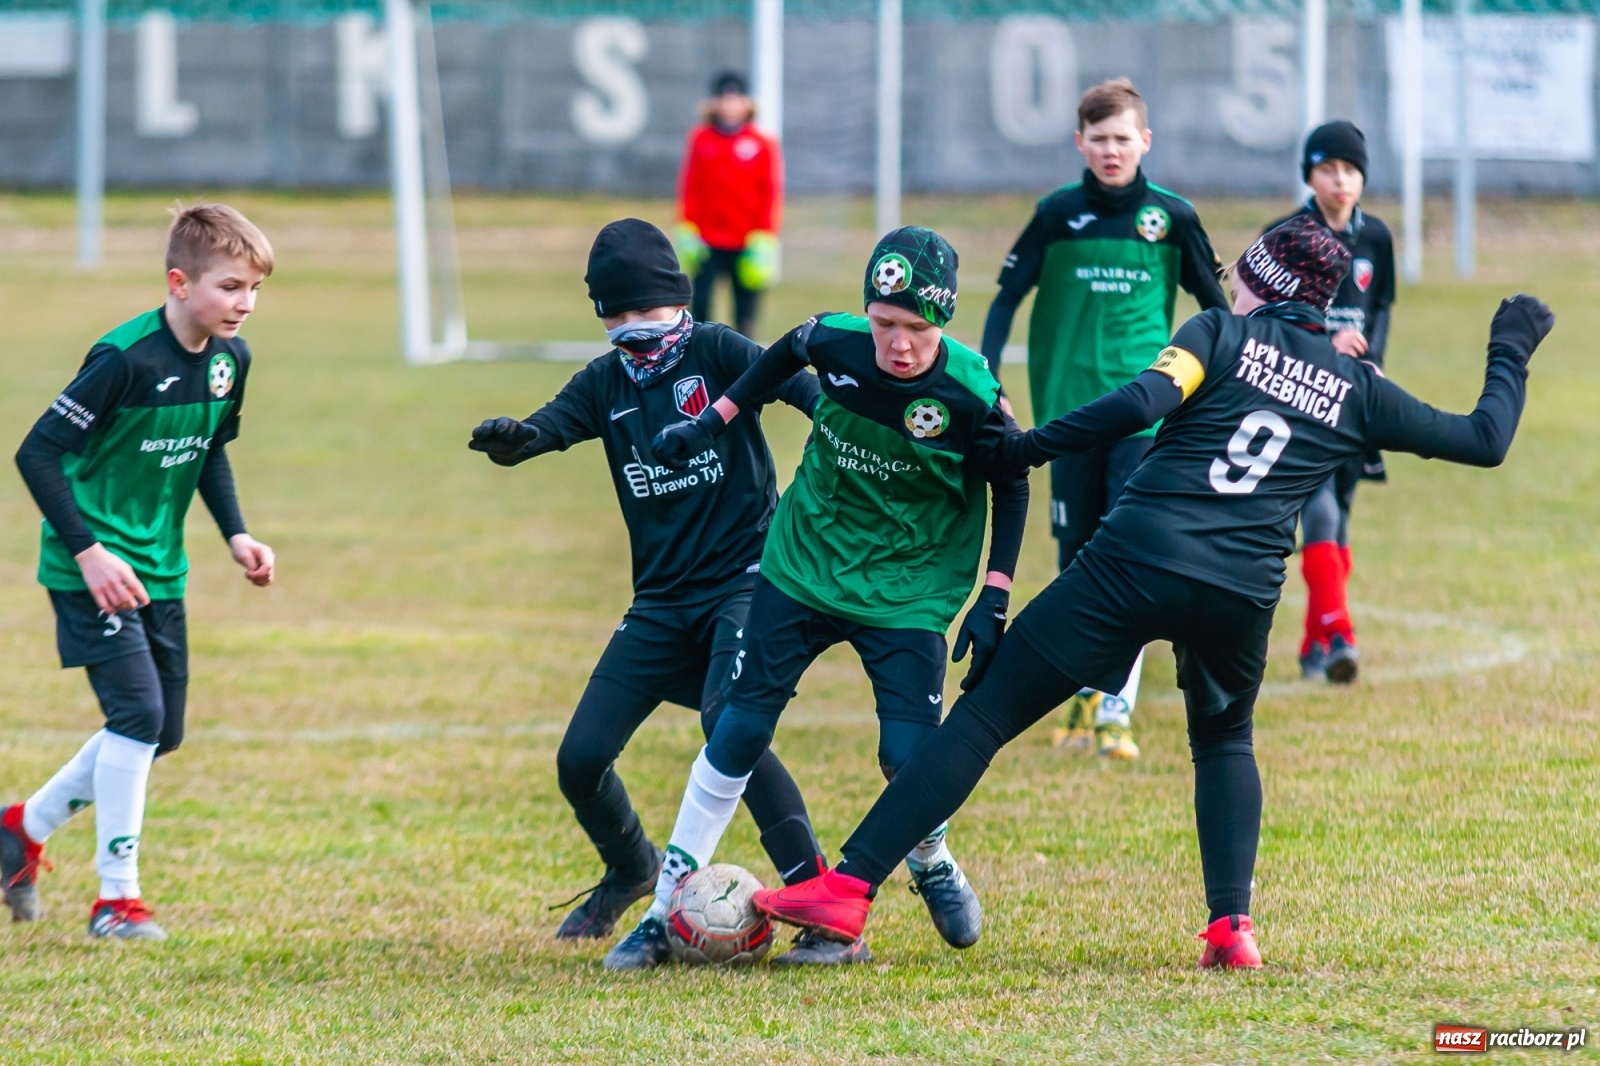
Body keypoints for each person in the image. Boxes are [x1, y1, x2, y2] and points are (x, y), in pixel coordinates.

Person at [752, 216, 1552, 970]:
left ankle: (849, 888)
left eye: (1241, 274)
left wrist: (1030, 445)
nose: (1229, 285)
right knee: (1225, 740)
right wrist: (1509, 346)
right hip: (1241, 592)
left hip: (1135, 563)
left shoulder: (1218, 333)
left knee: (986, 712)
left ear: (1261, 284)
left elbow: (1143, 402)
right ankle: (1230, 926)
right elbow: (1483, 440)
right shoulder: (1355, 388)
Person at [602, 226, 1029, 970]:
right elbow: (780, 359)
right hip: (803, 562)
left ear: (945, 323)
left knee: (907, 756)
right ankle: (667, 907)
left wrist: (994, 596)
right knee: (735, 731)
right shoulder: (832, 341)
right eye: (884, 323)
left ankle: (930, 857)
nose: (897, 344)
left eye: (917, 330)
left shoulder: (971, 392)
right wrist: (710, 421)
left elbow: (1013, 480)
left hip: (909, 585)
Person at [467, 219, 846, 964]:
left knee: (726, 722)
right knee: (580, 759)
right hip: (661, 603)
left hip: (745, 583)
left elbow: (810, 396)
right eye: (618, 321)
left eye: (651, 319)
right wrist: (516, 441)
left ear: (680, 302)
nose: (636, 336)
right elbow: (549, 427)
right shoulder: (604, 383)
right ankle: (633, 867)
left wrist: (845, 435)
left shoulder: (723, 351)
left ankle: (819, 898)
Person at [0, 204, 278, 940]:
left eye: (254, 288)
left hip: (163, 569)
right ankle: (116, 899)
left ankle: (20, 829)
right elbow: (35, 452)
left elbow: (210, 448)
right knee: (139, 717)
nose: (244, 303)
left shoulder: (230, 363)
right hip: (88, 568)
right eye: (230, 287)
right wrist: (89, 551)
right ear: (179, 282)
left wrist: (238, 535)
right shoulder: (123, 358)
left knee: (163, 732)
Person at [979, 77, 1229, 760]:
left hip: (1144, 416)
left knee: (1126, 555)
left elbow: (1218, 309)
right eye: (1100, 139)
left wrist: (1228, 378)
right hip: (1066, 417)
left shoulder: (1172, 217)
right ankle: (1083, 698)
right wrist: (984, 372)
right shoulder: (1056, 214)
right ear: (1080, 143)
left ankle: (1113, 708)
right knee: (1074, 558)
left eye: (1123, 138)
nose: (1112, 150)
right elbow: (1005, 300)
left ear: (1145, 141)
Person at [1266, 121, 1397, 682]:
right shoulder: (1287, 235)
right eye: (1328, 169)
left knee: (1339, 518)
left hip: (1356, 395)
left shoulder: (1378, 239)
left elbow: (1383, 305)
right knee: (1315, 507)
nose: (1340, 180)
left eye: (1350, 170)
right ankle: (1340, 630)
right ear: (1310, 176)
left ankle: (1312, 646)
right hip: (1302, 392)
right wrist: (1321, 346)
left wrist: (1375, 365)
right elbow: (1263, 315)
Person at [675, 70, 783, 340]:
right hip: (707, 240)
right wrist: (687, 226)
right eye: (724, 98)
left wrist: (765, 236)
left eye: (736, 98)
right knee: (699, 309)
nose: (729, 104)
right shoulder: (701, 139)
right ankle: (697, 359)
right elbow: (690, 185)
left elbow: (770, 191)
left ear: (746, 102)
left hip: (746, 242)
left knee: (745, 312)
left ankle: (743, 368)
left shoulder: (762, 144)